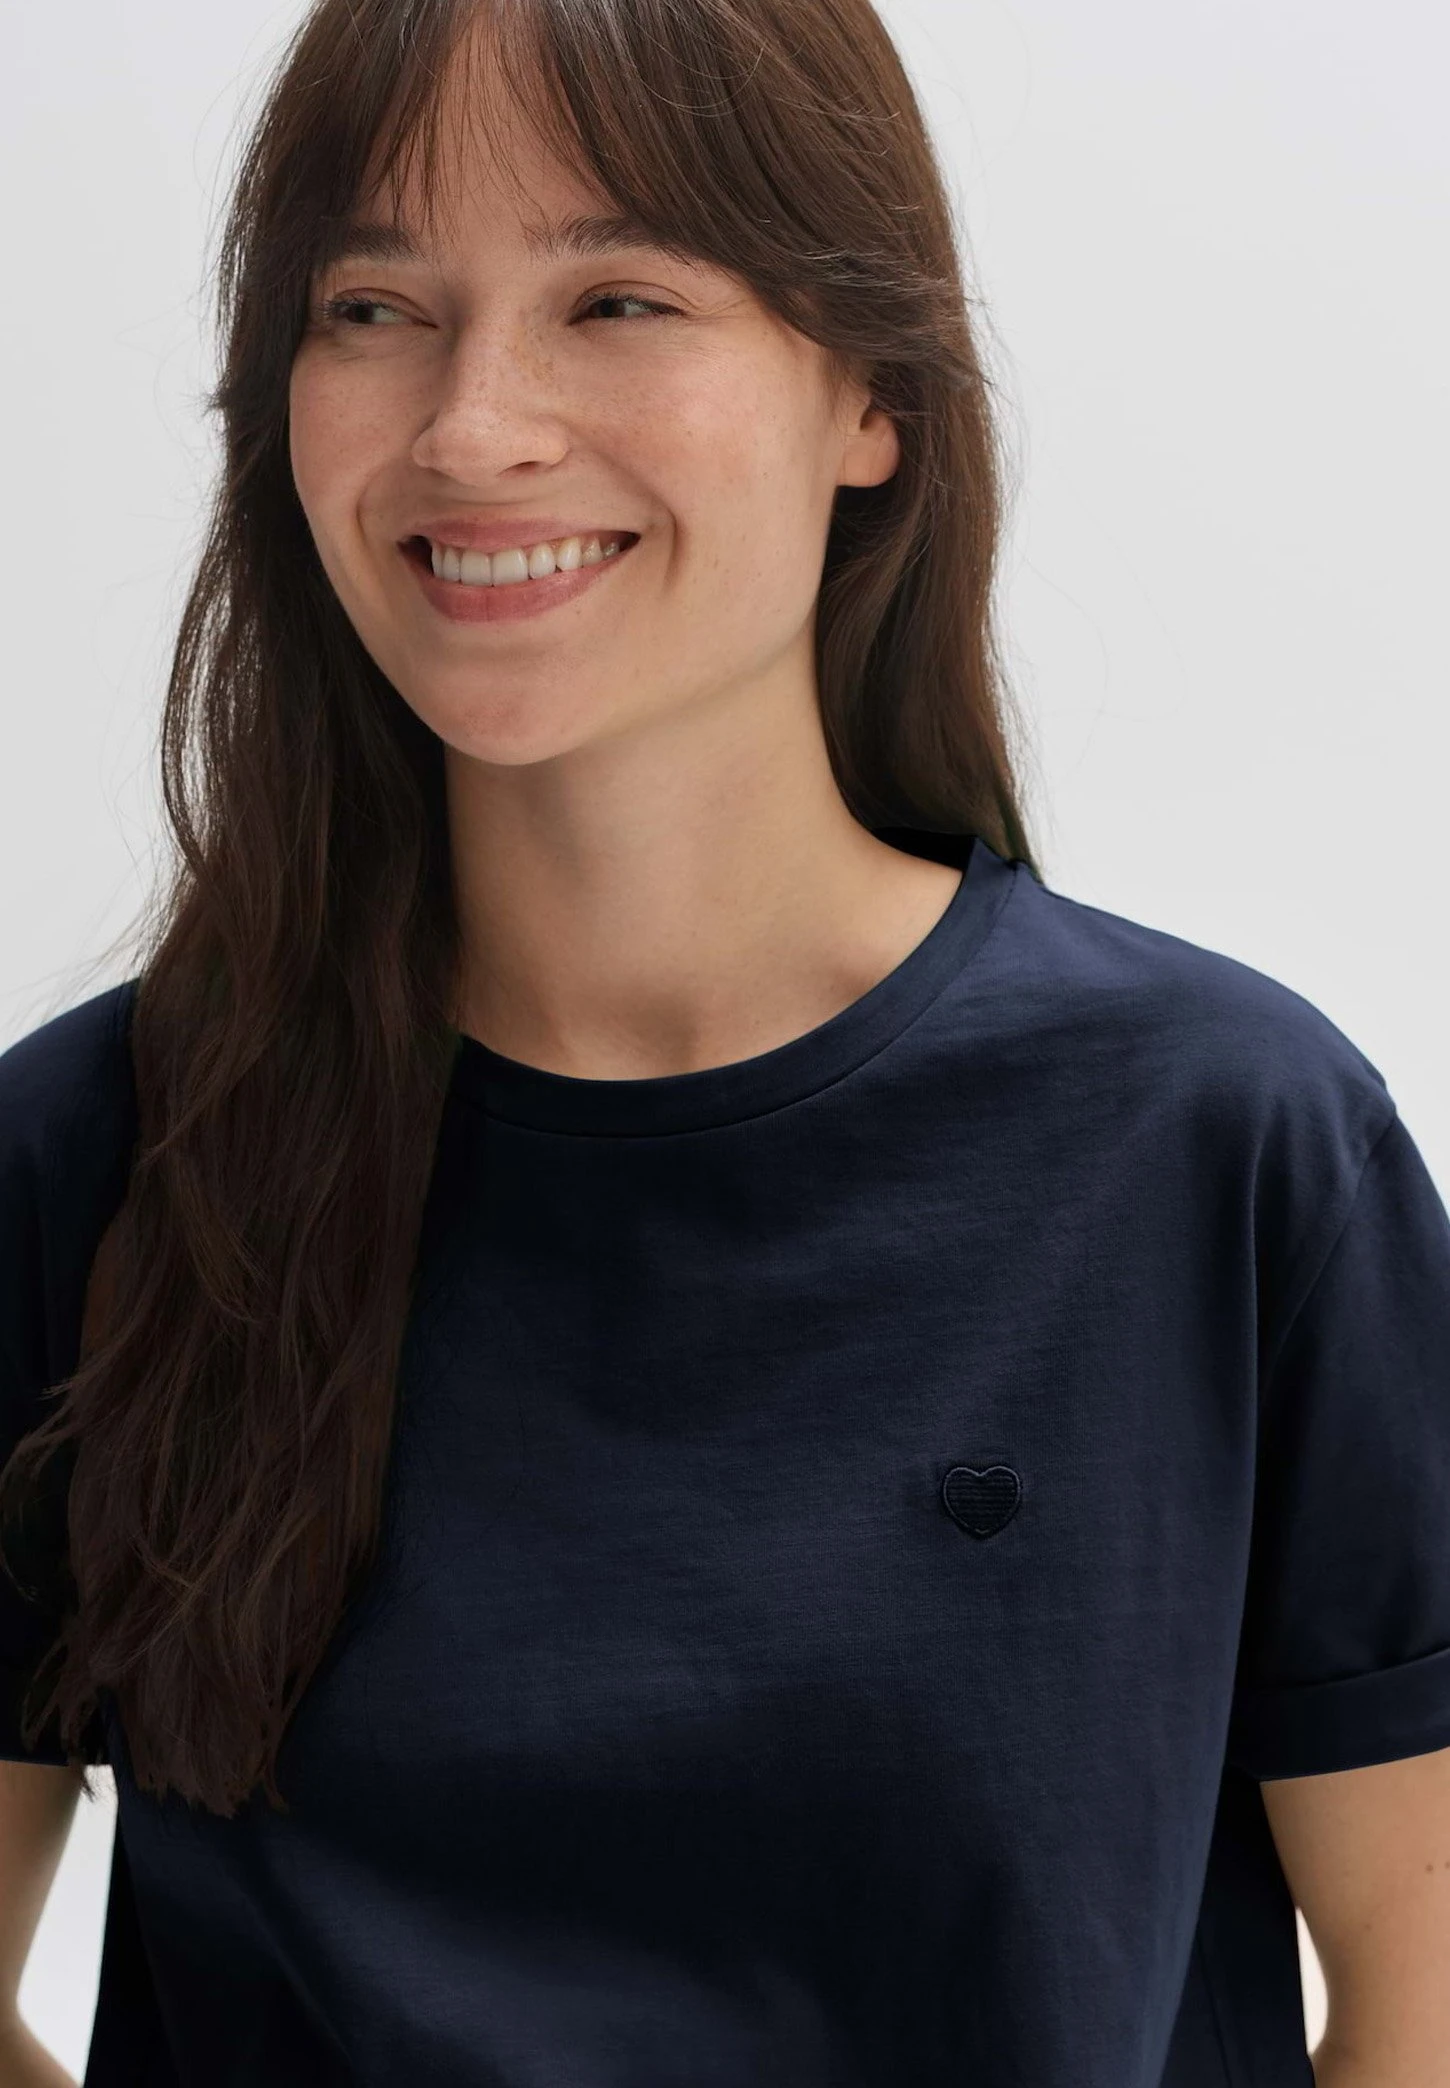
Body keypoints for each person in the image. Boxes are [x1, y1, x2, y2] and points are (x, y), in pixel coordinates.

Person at [3, 1, 1448, 2083]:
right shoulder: (93, 1158)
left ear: (871, 396)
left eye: (616, 299)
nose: (473, 426)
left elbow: (1419, 2002)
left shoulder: (1221, 1146)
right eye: (373, 307)